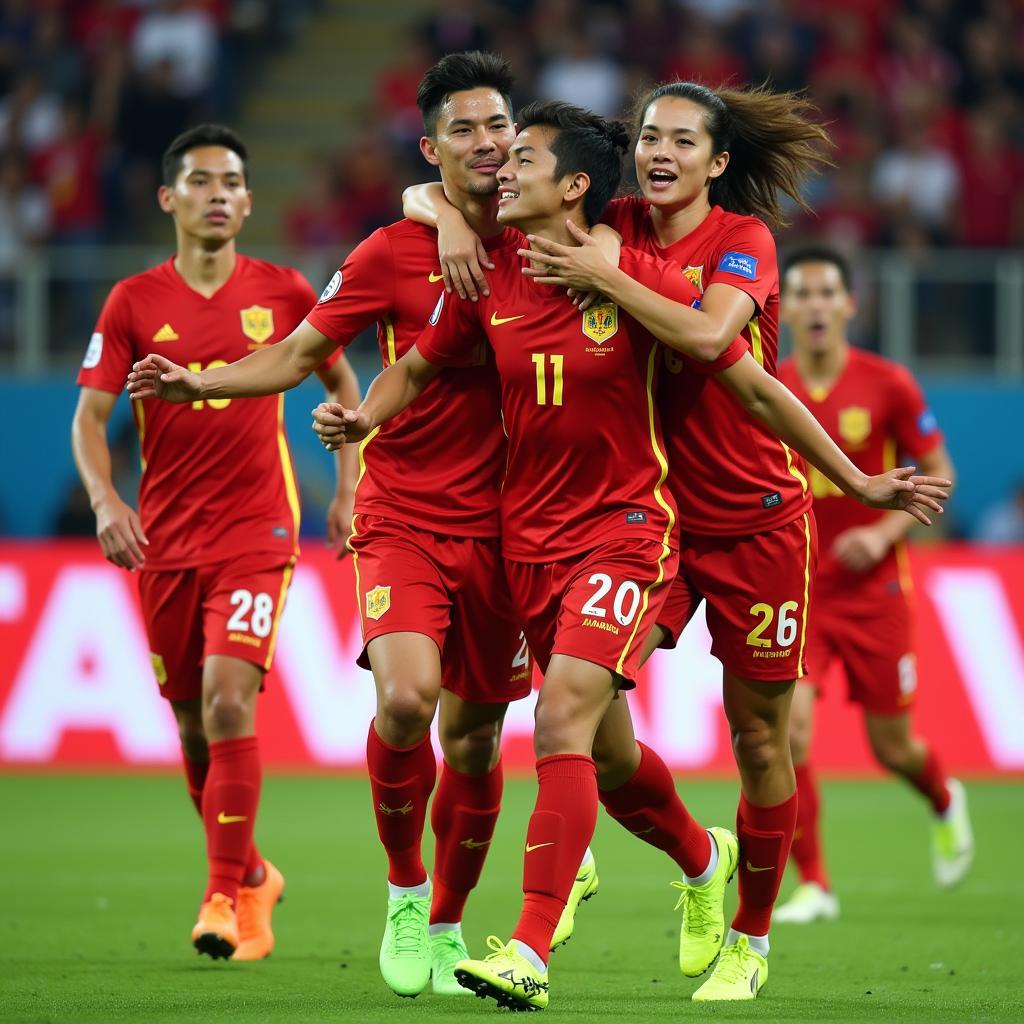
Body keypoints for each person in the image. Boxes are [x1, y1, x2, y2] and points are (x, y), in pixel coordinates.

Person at [315, 99, 949, 1011]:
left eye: (682, 140)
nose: (659, 152)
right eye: (649, 135)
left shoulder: (735, 245)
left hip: (744, 518)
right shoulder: (601, 222)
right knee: (602, 748)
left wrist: (854, 478)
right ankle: (692, 856)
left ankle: (744, 937)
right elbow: (447, 192)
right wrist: (454, 216)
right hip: (621, 521)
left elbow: (717, 350)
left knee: (754, 734)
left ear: (716, 161)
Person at [126, 53, 594, 1000]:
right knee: (406, 702)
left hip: (512, 529)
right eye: (460, 130)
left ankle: (455, 917)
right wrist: (201, 381)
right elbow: (301, 352)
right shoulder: (390, 252)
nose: (484, 142)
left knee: (473, 740)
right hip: (405, 514)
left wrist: (453, 210)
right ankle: (406, 892)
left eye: (496, 125)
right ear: (432, 146)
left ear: (517, 137)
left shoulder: (546, 238)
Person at [72, 123, 360, 961]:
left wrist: (346, 486)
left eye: (233, 181)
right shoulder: (131, 301)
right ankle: (255, 874)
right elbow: (91, 420)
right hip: (164, 540)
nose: (220, 195)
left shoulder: (285, 290)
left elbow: (343, 385)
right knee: (195, 729)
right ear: (169, 198)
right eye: (201, 182)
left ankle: (221, 900)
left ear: (247, 198)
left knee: (232, 699)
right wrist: (104, 501)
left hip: (257, 531)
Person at [774, 246, 972, 921]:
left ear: (850, 304)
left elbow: (939, 474)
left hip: (877, 593)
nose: (817, 304)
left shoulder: (888, 384)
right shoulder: (772, 385)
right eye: (802, 293)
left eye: (829, 292)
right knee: (790, 733)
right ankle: (816, 884)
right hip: (800, 589)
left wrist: (883, 532)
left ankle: (944, 798)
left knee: (892, 748)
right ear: (788, 309)